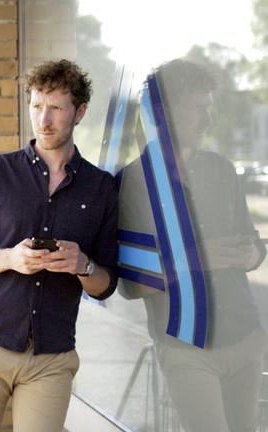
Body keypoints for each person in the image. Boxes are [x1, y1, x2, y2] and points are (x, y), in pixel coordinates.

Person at [0, 59, 119, 432]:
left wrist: (83, 266)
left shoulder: (101, 187)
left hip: (52, 356)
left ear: (80, 113)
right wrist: (10, 258)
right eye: (37, 106)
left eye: (56, 108)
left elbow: (107, 282)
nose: (44, 120)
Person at [117, 59, 267, 432]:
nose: (208, 119)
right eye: (197, 108)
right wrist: (193, 259)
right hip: (186, 348)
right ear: (163, 114)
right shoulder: (135, 183)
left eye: (209, 107)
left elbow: (254, 241)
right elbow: (130, 282)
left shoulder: (221, 169)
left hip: (244, 338)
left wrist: (252, 254)